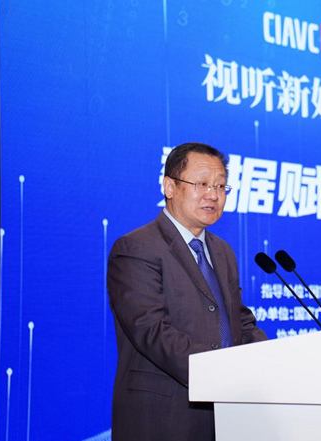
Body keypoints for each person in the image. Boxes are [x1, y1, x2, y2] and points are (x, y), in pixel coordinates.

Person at [107, 142, 267, 440]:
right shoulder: (136, 247)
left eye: (220, 186)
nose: (213, 195)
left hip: (228, 414)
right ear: (169, 187)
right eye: (202, 184)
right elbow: (151, 331)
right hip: (163, 417)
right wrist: (220, 375)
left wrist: (269, 361)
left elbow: (239, 321)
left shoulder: (222, 251)